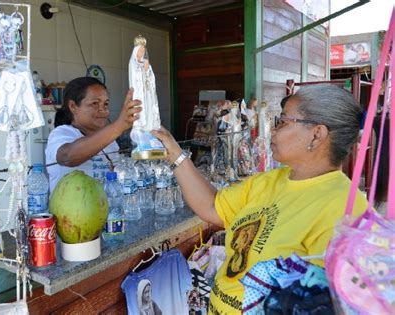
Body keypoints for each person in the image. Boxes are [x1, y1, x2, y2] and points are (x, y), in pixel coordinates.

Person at [152, 84, 368, 314]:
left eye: (283, 122)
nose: (274, 130)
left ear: (317, 135)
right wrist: (175, 153)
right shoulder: (270, 181)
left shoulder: (344, 207)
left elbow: (334, 303)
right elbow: (212, 206)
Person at [45, 77, 141, 192]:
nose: (103, 110)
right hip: (71, 210)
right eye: (95, 103)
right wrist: (119, 126)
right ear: (73, 106)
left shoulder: (110, 141)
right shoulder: (62, 133)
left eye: (106, 104)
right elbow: (67, 157)